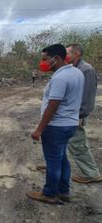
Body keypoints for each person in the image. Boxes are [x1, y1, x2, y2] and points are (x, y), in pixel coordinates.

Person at [27, 44, 84, 204]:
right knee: (62, 158)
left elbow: (53, 106)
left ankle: (50, 193)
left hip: (56, 126)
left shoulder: (60, 78)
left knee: (53, 161)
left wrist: (39, 129)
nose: (43, 62)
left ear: (56, 58)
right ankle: (63, 191)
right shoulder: (77, 73)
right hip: (69, 124)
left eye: (45, 59)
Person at [66, 44, 101, 184]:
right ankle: (57, 163)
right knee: (62, 139)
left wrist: (80, 115)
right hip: (71, 113)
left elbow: (87, 96)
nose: (65, 55)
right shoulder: (74, 68)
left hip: (77, 115)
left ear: (77, 54)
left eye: (67, 53)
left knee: (77, 143)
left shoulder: (86, 70)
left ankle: (91, 173)